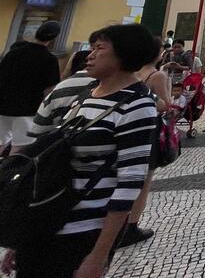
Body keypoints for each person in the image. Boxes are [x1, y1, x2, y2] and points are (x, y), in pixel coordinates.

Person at [15, 24, 158, 278]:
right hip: (47, 221)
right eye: (92, 48)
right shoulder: (85, 95)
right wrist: (23, 234)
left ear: (124, 55)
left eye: (99, 49)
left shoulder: (137, 105)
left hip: (84, 230)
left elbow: (129, 182)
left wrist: (100, 255)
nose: (89, 55)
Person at [119, 40, 173, 248]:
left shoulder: (129, 73)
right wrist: (167, 82)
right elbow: (165, 104)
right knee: (144, 181)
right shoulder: (156, 75)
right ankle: (131, 225)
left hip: (127, 130)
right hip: (148, 130)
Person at [0, 21, 61, 152]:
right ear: (53, 38)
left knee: (1, 142)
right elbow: (49, 89)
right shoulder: (50, 60)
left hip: (3, 106)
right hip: (29, 111)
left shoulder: (13, 53)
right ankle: (7, 172)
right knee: (19, 149)